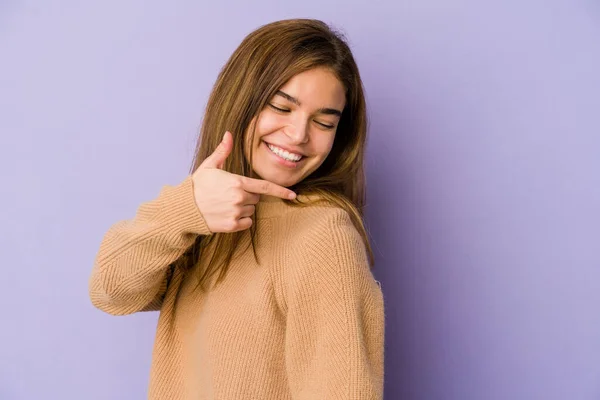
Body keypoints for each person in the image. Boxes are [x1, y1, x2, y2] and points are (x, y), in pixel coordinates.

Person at [89, 18, 385, 399]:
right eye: (281, 107)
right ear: (241, 99)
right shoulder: (201, 220)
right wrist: (188, 207)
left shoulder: (322, 235)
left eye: (323, 122)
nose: (299, 135)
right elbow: (110, 291)